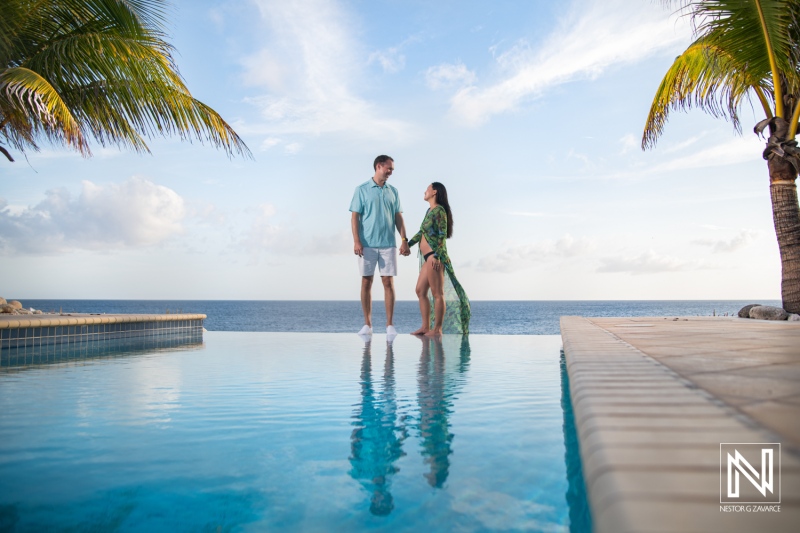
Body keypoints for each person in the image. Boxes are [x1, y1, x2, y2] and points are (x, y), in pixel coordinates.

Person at [350, 155, 410, 337]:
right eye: (389, 168)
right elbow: (354, 217)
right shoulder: (361, 190)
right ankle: (367, 325)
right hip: (366, 244)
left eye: (392, 169)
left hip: (388, 244)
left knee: (388, 282)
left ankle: (389, 325)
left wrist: (404, 239)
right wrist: (357, 240)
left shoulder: (394, 191)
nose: (391, 172)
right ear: (379, 166)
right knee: (366, 281)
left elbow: (398, 216)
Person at [408, 182, 470, 336]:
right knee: (420, 290)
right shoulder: (429, 210)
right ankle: (425, 327)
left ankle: (437, 329)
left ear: (434, 192)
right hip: (427, 257)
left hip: (434, 257)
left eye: (427, 188)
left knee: (437, 293)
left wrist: (436, 256)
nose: (425, 191)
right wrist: (407, 245)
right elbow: (421, 232)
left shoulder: (440, 211)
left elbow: (442, 235)